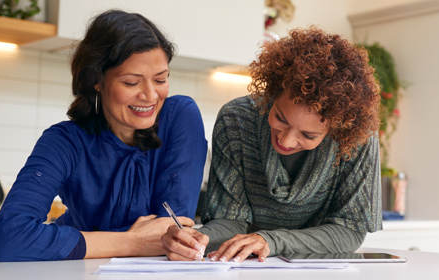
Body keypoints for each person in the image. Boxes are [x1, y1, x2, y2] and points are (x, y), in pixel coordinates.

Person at [0, 10, 208, 261]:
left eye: (160, 79)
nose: (149, 96)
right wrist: (131, 242)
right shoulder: (64, 141)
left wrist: (94, 240)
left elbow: (173, 231)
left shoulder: (180, 115)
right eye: (131, 83)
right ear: (97, 80)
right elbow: (10, 238)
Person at [161, 26, 382, 262]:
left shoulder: (357, 137)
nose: (285, 141)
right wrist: (196, 239)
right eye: (280, 118)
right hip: (250, 268)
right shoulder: (237, 120)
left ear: (336, 130)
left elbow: (350, 231)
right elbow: (230, 220)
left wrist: (272, 240)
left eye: (308, 135)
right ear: (273, 92)